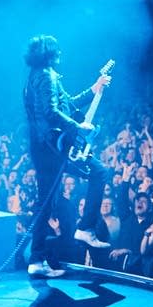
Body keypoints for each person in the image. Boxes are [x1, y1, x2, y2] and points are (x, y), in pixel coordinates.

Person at [23, 34, 112, 278]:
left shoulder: (34, 78)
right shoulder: (47, 76)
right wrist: (77, 127)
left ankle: (37, 259)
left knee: (46, 202)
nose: (60, 54)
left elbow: (67, 105)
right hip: (55, 148)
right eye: (57, 50)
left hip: (42, 148)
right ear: (49, 53)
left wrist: (93, 90)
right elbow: (51, 113)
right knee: (99, 171)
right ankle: (85, 228)